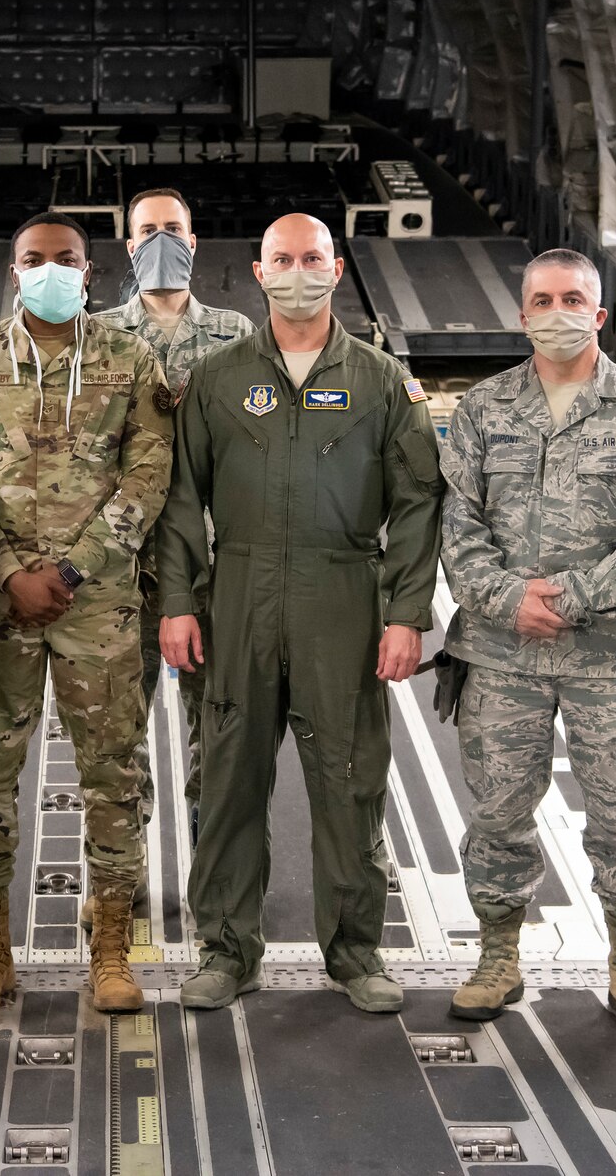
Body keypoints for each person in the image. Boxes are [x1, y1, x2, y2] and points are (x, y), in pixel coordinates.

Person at [158, 212, 441, 1015]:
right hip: (239, 592)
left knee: (350, 781)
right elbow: (182, 498)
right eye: (281, 257)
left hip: (344, 594)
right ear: (256, 272)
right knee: (228, 779)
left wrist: (406, 611)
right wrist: (180, 599)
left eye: (311, 257)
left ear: (338, 268)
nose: (297, 270)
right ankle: (225, 950)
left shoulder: (384, 380)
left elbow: (418, 501)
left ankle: (356, 953)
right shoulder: (216, 377)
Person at [436, 249, 616, 1033]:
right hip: (501, 649)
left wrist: (576, 598)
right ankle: (497, 953)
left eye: (572, 297)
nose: (556, 311)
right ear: (521, 314)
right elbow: (457, 525)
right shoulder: (482, 408)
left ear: (600, 312)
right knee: (500, 809)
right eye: (540, 299)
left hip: (607, 653)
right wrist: (508, 597)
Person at [0, 211, 173, 1015]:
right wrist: (8, 571)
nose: (50, 270)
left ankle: (110, 948)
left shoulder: (131, 357)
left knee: (112, 773)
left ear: (90, 271)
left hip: (96, 602)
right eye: (34, 258)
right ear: (13, 270)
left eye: (65, 258)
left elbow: (147, 477)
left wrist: (71, 567)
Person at [94, 189, 253, 838]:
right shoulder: (98, 332)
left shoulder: (235, 332)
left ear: (193, 242)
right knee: (117, 720)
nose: (161, 239)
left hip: (210, 555)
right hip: (122, 559)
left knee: (217, 713)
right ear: (130, 247)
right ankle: (121, 865)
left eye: (173, 228)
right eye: (148, 230)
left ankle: (214, 849)